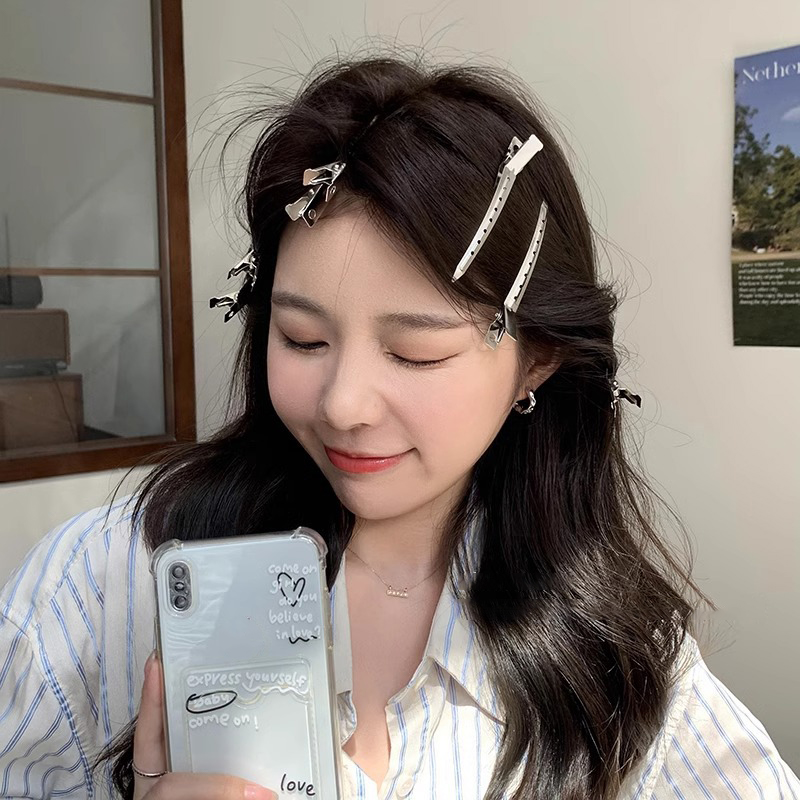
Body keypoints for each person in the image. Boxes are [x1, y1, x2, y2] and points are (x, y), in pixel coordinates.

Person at [0, 52, 797, 800]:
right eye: (301, 339)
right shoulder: (99, 584)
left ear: (537, 359)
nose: (342, 404)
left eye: (416, 353)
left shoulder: (617, 655)